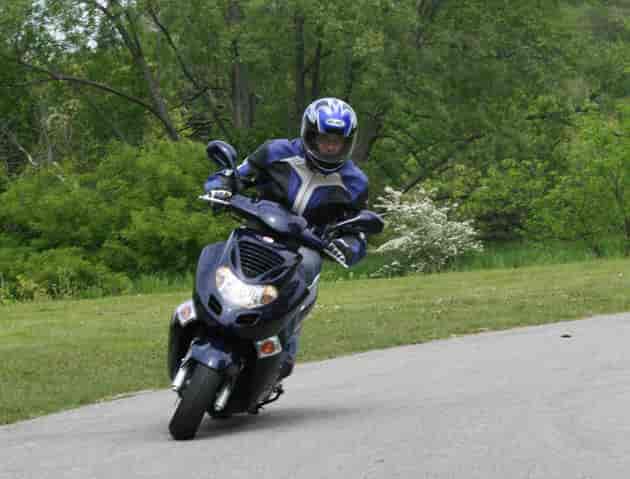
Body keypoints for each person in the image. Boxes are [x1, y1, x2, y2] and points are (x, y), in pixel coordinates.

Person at [204, 97, 369, 382]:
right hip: (258, 229)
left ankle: (283, 347)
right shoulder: (275, 152)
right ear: (309, 134)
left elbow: (357, 229)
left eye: (337, 142)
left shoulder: (355, 182)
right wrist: (221, 186)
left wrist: (349, 246)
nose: (330, 147)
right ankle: (202, 313)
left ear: (348, 143)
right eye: (325, 139)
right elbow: (238, 176)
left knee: (308, 269)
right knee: (219, 253)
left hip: (306, 247)